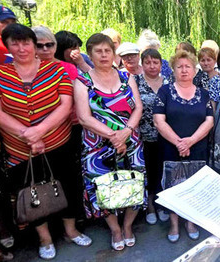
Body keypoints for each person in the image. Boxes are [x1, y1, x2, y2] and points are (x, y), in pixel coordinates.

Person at [0, 24, 92, 260]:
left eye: (26, 43)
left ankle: (70, 230)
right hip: (19, 148)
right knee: (31, 191)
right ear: (7, 46)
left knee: (68, 185)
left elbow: (65, 105)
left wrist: (39, 131)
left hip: (58, 142)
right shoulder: (0, 74)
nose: (22, 48)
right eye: (15, 43)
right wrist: (26, 134)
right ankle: (45, 238)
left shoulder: (56, 71)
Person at [74, 33, 145, 251]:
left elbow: (138, 108)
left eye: (107, 51)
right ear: (90, 55)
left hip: (131, 142)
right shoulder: (82, 81)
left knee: (134, 185)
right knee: (104, 189)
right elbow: (84, 118)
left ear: (114, 54)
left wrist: (126, 132)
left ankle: (127, 225)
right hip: (97, 147)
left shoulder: (126, 77)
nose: (104, 55)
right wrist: (114, 136)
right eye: (98, 51)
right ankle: (114, 229)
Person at [153, 50, 213, 243]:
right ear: (173, 70)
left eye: (188, 66)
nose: (184, 70)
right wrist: (179, 143)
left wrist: (190, 141)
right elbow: (158, 121)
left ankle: (191, 221)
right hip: (171, 148)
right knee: (173, 186)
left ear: (194, 70)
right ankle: (174, 223)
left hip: (197, 148)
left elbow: (209, 121)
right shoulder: (165, 91)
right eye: (180, 66)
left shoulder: (204, 94)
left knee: (194, 186)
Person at [134, 48, 169, 225]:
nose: (152, 66)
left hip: (165, 136)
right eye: (147, 62)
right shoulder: (136, 81)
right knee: (148, 171)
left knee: (162, 171)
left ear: (161, 64)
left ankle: (162, 203)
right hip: (143, 136)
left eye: (155, 62)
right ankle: (149, 205)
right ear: (142, 64)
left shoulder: (168, 82)